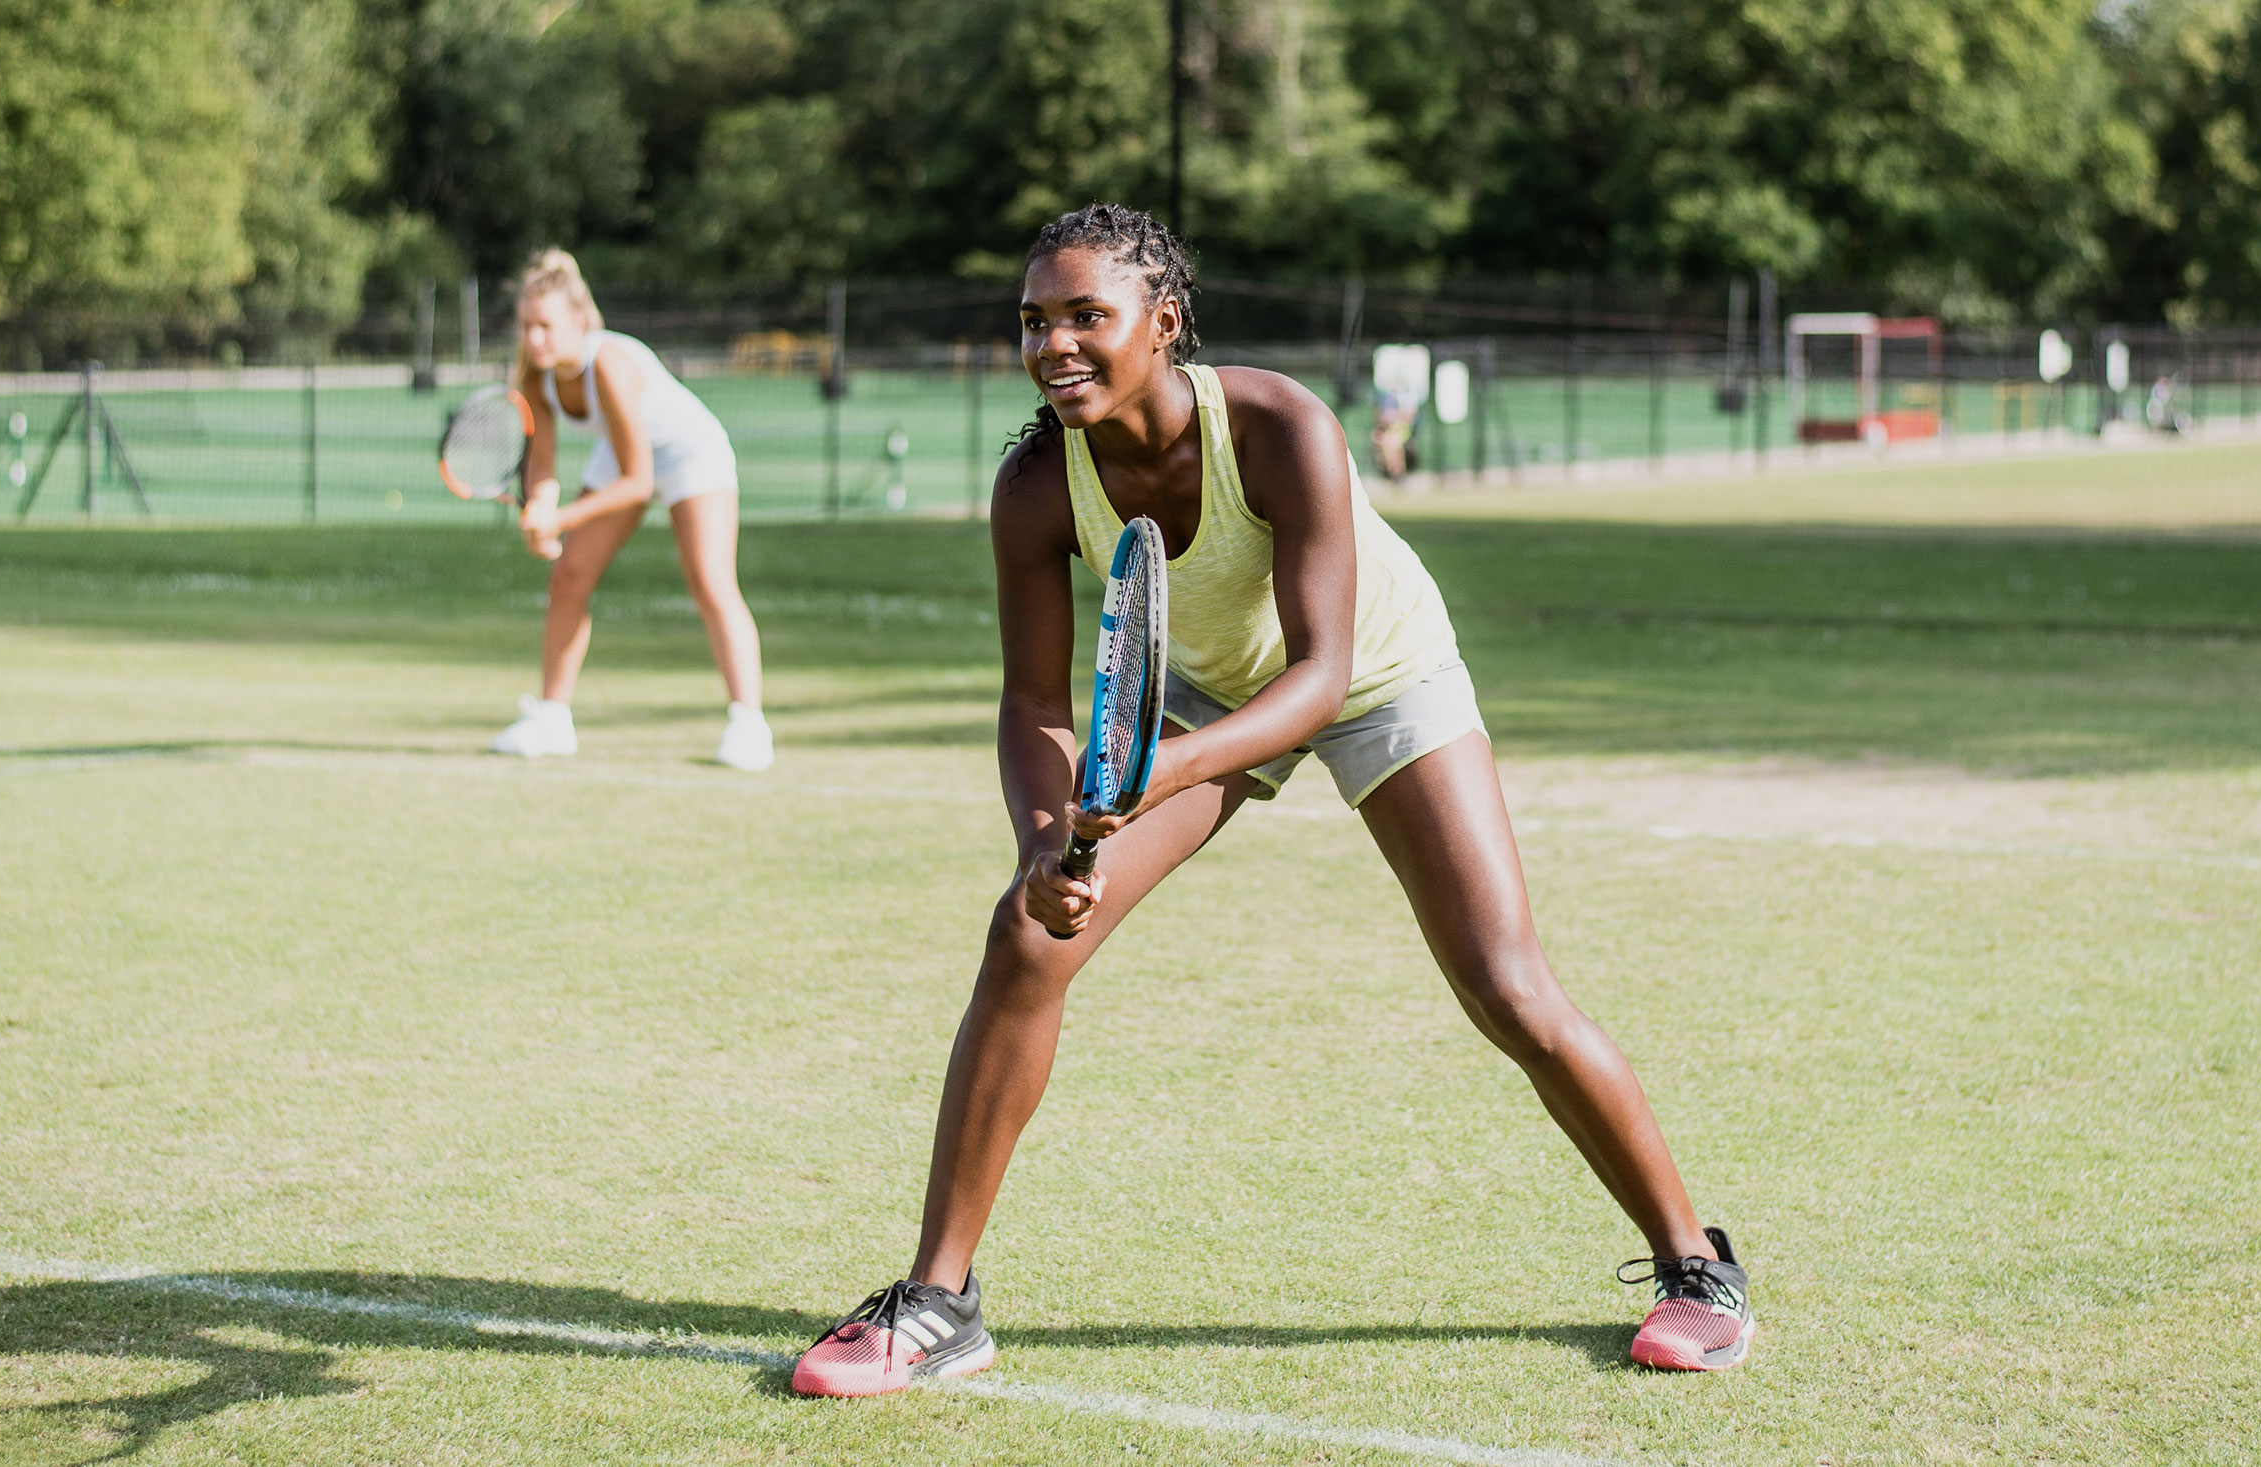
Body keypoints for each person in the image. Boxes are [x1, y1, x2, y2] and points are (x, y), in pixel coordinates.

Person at [790, 205, 1751, 1398]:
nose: (1055, 345)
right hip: (1196, 685)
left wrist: (1157, 772)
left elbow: (1321, 676)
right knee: (1027, 936)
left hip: (1371, 672)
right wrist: (1048, 845)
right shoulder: (1039, 482)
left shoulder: (1285, 426)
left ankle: (1695, 1266)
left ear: (1166, 323)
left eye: (1088, 316)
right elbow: (1034, 702)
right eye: (1034, 321)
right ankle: (939, 1303)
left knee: (1506, 986)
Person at [489, 248, 773, 772]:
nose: (534, 339)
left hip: (690, 451)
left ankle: (749, 725)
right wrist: (542, 514)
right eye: (527, 326)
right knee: (568, 575)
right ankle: (552, 719)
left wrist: (560, 520)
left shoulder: (612, 366)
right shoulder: (535, 376)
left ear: (579, 320)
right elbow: (543, 465)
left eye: (546, 326)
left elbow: (637, 482)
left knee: (710, 581)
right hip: (620, 454)